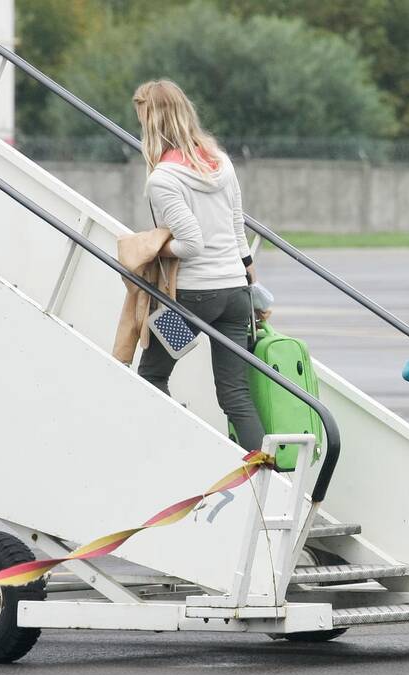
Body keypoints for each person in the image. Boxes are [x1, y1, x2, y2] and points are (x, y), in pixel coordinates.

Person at [133, 79, 264, 450]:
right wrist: (248, 274)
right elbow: (238, 227)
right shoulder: (221, 161)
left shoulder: (163, 179)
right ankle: (270, 481)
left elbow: (191, 244)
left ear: (152, 122)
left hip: (193, 302)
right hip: (235, 296)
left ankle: (185, 450)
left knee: (151, 375)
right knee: (235, 395)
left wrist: (156, 246)